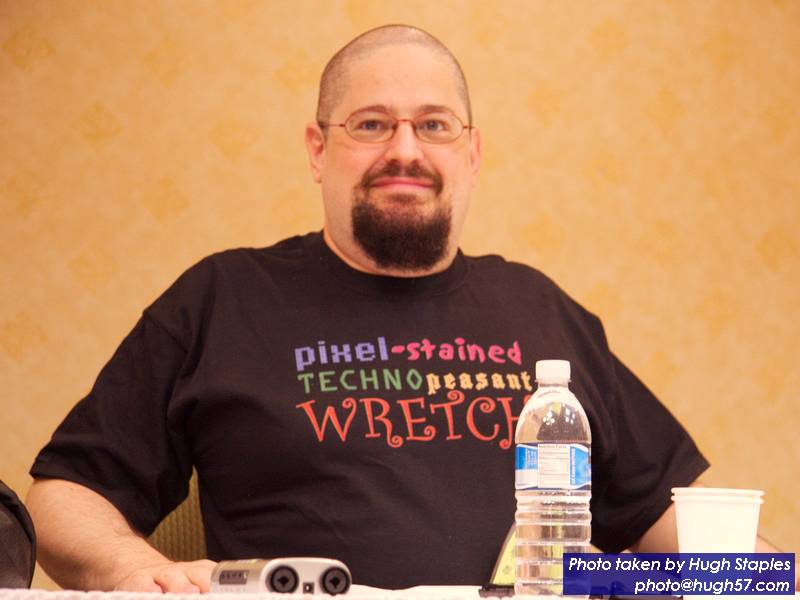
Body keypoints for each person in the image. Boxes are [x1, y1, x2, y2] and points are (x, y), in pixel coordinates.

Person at [25, 24, 790, 594]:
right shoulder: (223, 297)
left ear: (472, 154)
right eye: (370, 124)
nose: (405, 150)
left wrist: (769, 575)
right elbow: (64, 494)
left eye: (433, 125)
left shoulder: (540, 308)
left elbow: (664, 519)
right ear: (318, 149)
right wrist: (137, 567)